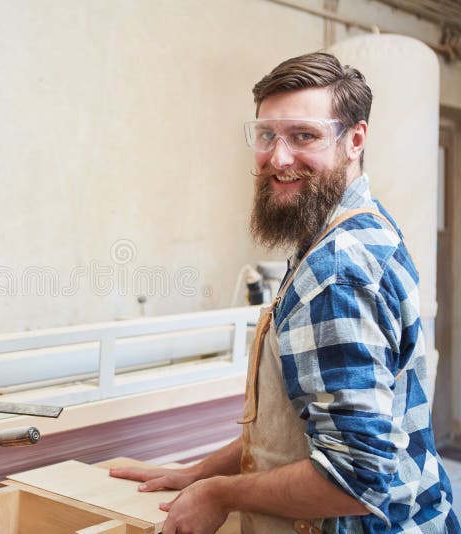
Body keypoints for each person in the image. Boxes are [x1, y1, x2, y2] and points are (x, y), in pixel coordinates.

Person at [110, 52, 459, 533]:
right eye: (267, 134)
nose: (278, 157)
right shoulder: (354, 228)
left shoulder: (337, 271)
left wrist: (219, 494)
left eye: (304, 136)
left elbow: (358, 477)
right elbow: (308, 424)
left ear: (354, 139)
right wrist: (196, 474)